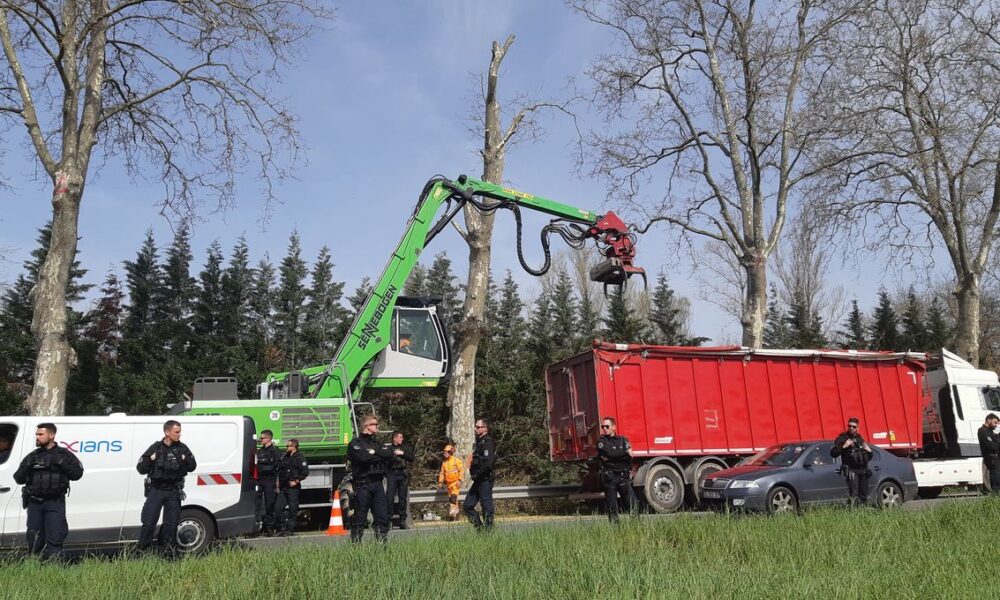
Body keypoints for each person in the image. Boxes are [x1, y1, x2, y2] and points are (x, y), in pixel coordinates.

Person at [12, 423, 84, 561]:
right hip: (34, 503)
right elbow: (18, 478)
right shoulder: (32, 456)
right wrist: (28, 466)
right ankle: (35, 567)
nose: (37, 437)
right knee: (34, 539)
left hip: (55, 502)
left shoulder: (64, 455)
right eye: (36, 434)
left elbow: (77, 474)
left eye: (41, 434)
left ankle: (54, 566)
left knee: (55, 537)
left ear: (51, 435)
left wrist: (61, 462)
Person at [136, 420, 197, 555]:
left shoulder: (182, 448)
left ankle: (168, 553)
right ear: (167, 432)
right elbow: (140, 468)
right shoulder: (156, 448)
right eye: (176, 432)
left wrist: (185, 459)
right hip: (156, 489)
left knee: (171, 524)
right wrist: (150, 459)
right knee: (149, 521)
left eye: (180, 432)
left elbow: (192, 466)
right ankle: (143, 551)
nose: (179, 434)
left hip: (173, 490)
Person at [347, 414, 394, 543]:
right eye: (375, 424)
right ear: (367, 426)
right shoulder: (355, 443)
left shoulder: (377, 443)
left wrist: (375, 452)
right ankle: (356, 546)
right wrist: (379, 455)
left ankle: (382, 545)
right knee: (360, 518)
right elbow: (363, 458)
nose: (377, 427)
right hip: (363, 485)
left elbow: (390, 454)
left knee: (382, 517)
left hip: (378, 484)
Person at [596, 416, 636, 523]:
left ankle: (636, 525)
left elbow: (631, 455)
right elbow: (610, 453)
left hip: (623, 476)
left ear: (613, 427)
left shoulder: (623, 439)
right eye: (603, 426)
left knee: (632, 503)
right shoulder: (601, 441)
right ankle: (614, 527)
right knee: (612, 506)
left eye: (607, 426)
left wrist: (616, 455)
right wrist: (624, 453)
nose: (604, 428)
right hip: (610, 477)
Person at [830, 417, 873, 506]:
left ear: (857, 428)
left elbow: (867, 457)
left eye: (854, 426)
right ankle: (853, 512)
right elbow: (833, 453)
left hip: (863, 470)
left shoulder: (860, 439)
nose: (851, 428)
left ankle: (863, 512)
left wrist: (870, 451)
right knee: (854, 495)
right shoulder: (842, 438)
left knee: (863, 495)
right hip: (851, 470)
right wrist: (844, 446)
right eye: (849, 426)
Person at [463, 418, 496, 531]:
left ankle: (488, 533)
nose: (475, 429)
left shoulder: (488, 442)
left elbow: (488, 463)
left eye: (478, 427)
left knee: (486, 508)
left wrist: (477, 474)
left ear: (485, 428)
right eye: (475, 427)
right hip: (477, 480)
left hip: (485, 480)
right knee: (467, 506)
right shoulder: (479, 442)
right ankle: (480, 529)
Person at [274, 438, 309, 536]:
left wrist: (296, 481)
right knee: (277, 508)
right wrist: (278, 483)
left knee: (293, 509)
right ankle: (282, 527)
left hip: (293, 488)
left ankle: (290, 529)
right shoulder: (285, 457)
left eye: (288, 446)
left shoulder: (300, 457)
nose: (286, 447)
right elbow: (280, 470)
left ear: (294, 447)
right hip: (284, 487)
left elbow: (305, 472)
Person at [255, 429, 283, 535]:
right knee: (257, 504)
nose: (260, 440)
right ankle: (257, 527)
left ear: (268, 439)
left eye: (262, 438)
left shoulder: (275, 451)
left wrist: (277, 483)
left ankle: (269, 527)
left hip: (270, 481)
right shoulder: (260, 451)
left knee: (269, 505)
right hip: (259, 480)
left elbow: (279, 467)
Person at [386, 431, 415, 529]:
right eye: (400, 437)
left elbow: (412, 458)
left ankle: (402, 520)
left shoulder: (404, 448)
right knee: (389, 497)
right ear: (395, 438)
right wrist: (392, 455)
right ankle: (389, 519)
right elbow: (384, 461)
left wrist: (402, 453)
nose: (402, 439)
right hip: (392, 474)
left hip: (402, 474)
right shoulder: (389, 449)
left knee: (403, 498)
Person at [438, 443, 464, 520]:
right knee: (452, 499)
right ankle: (456, 514)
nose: (444, 454)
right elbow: (442, 473)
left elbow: (461, 471)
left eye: (446, 452)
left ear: (450, 452)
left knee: (453, 497)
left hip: (455, 483)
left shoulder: (456, 461)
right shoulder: (444, 463)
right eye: (444, 452)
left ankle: (452, 513)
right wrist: (440, 482)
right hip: (448, 484)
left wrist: (459, 480)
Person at [977, 413, 1000, 493]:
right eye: (995, 422)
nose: (996, 425)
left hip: (995, 457)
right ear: (988, 420)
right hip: (991, 457)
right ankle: (996, 491)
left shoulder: (990, 431)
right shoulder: (983, 431)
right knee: (996, 475)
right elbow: (991, 446)